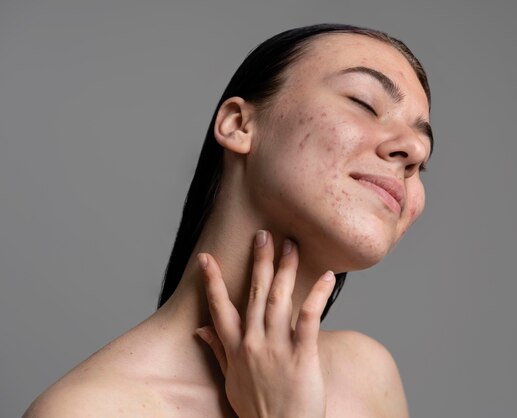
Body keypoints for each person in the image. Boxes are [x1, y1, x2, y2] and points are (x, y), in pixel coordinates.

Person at [24, 23, 433, 417]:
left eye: (425, 154)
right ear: (238, 124)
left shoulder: (368, 376)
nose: (414, 149)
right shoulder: (88, 411)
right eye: (365, 103)